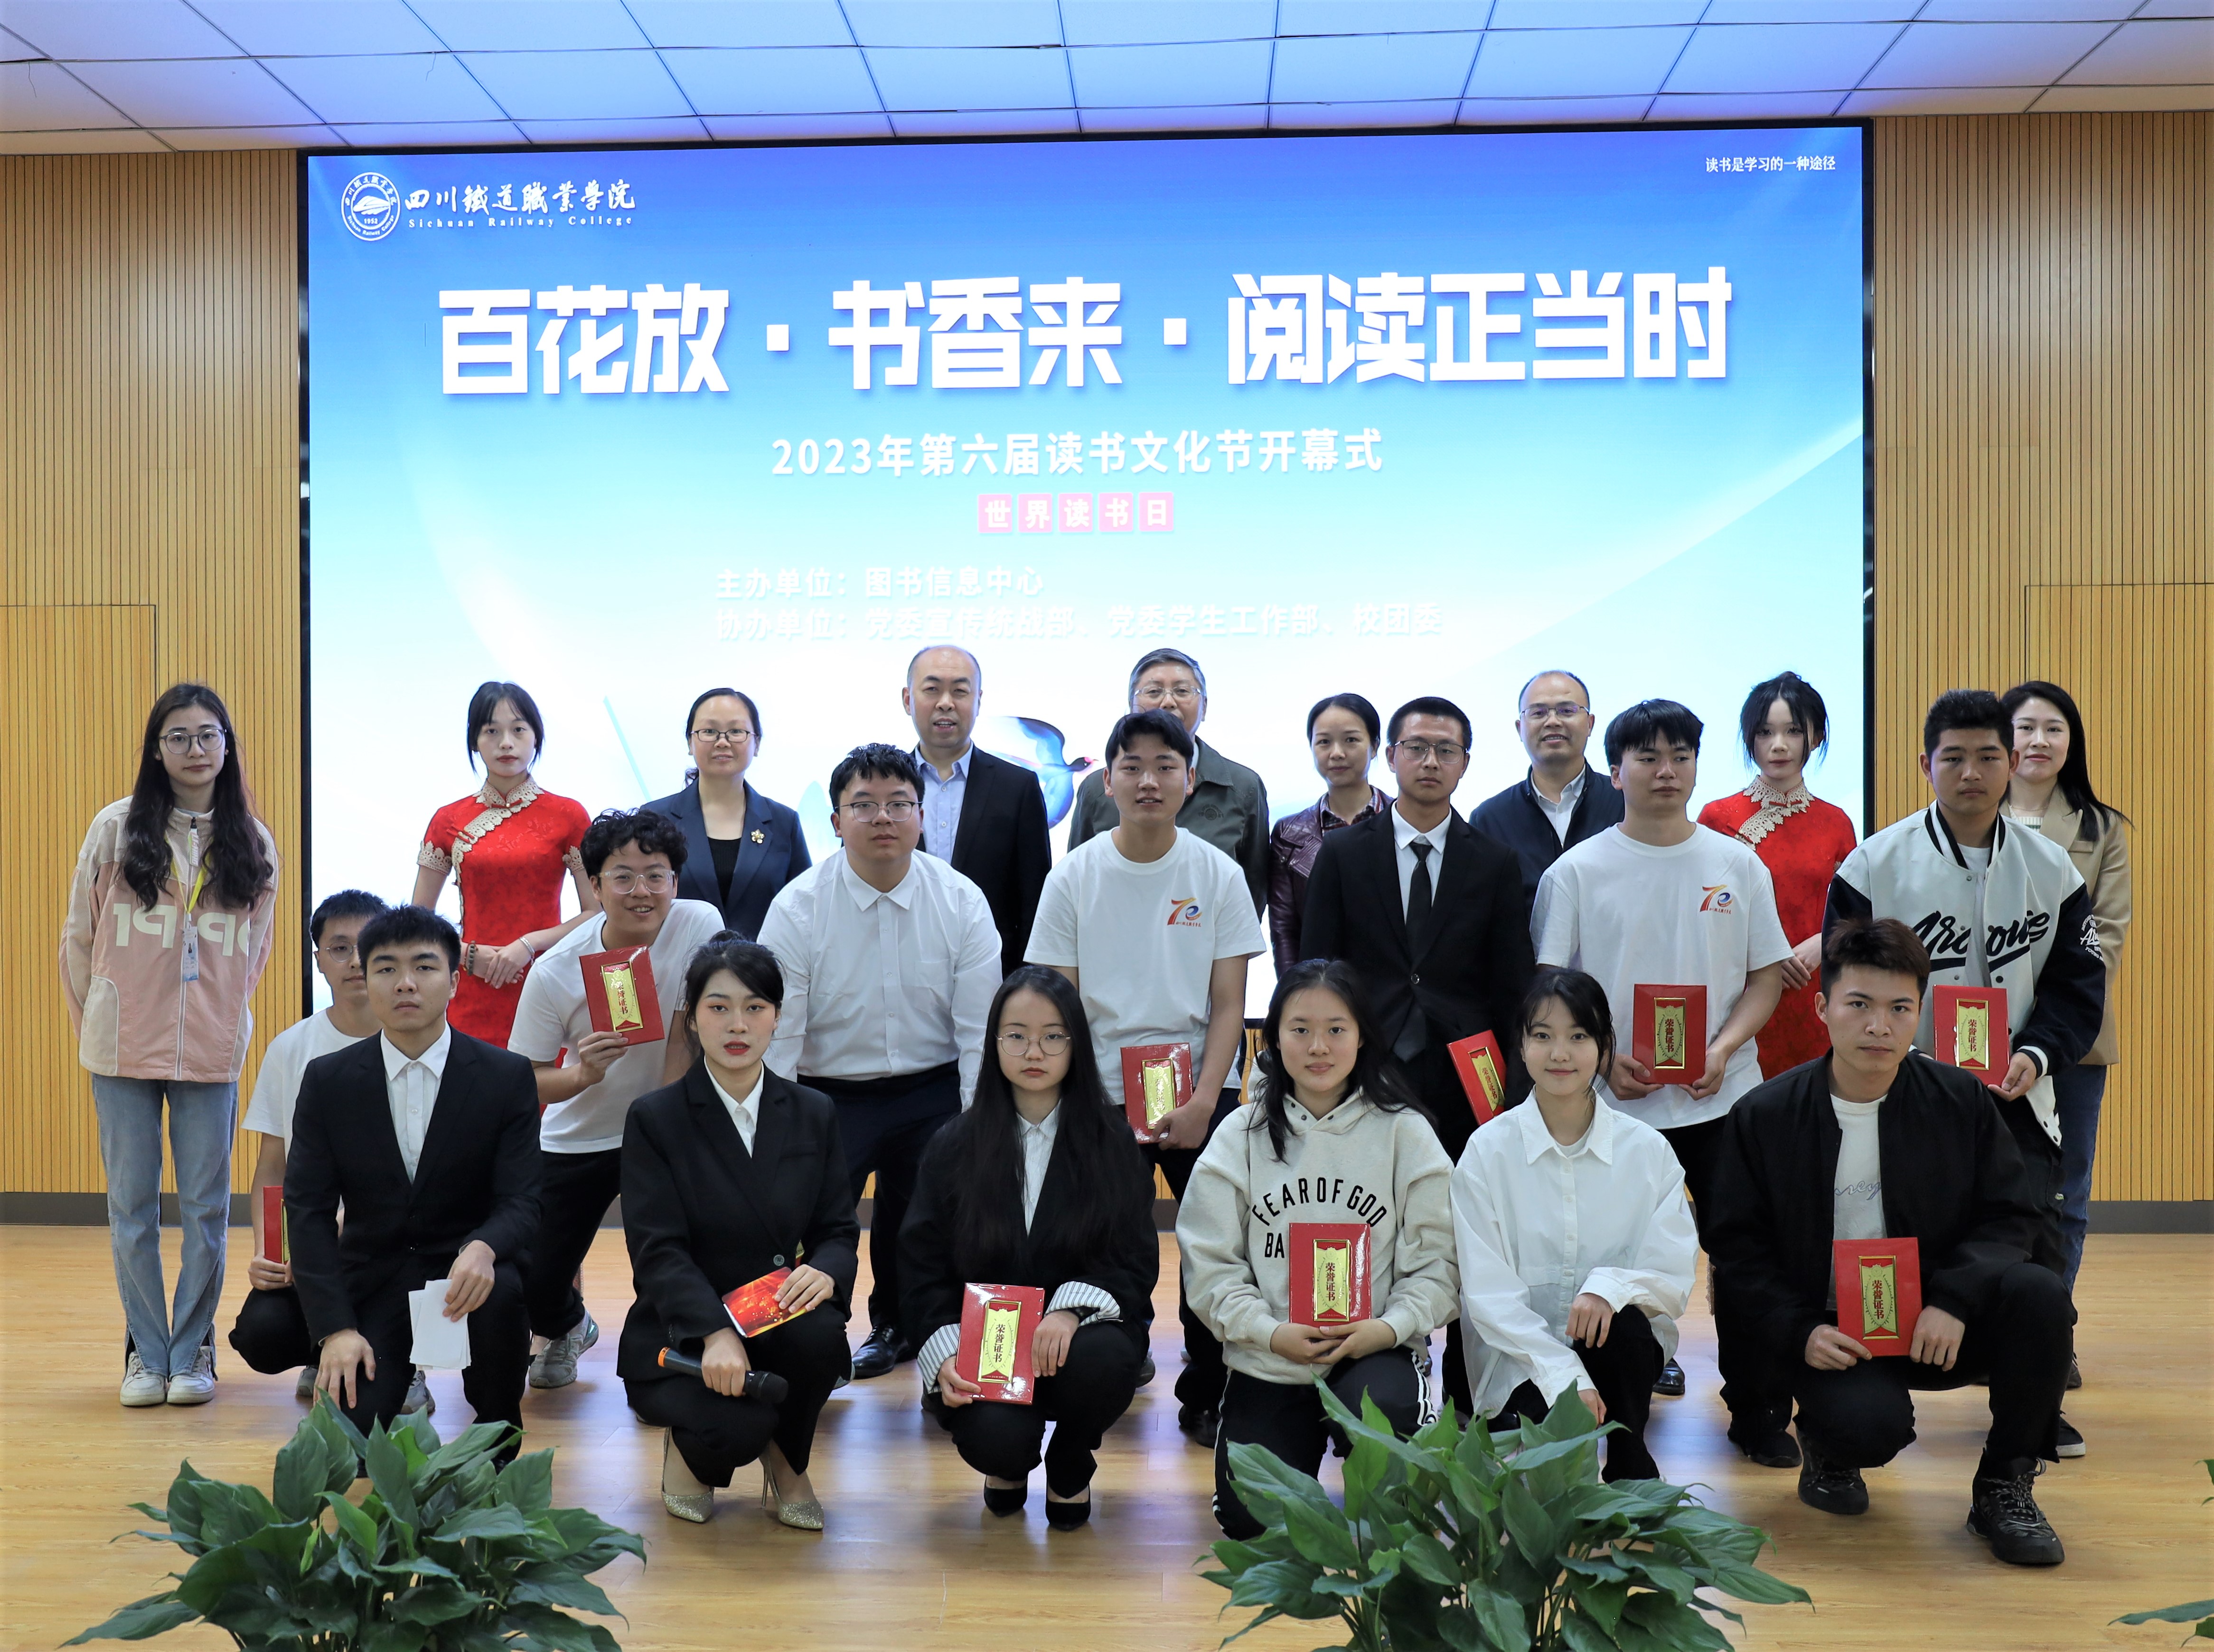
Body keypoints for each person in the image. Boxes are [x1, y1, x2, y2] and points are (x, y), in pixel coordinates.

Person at [1707, 918, 2074, 1567]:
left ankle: (2004, 1484)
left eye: (1899, 1008)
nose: (1879, 1026)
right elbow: (1736, 1249)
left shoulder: (1960, 1102)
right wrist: (1798, 1332)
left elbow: (2011, 1215)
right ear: (1822, 1008)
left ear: (1919, 1013)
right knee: (1868, 1429)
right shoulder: (1763, 1117)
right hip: (1831, 1333)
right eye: (1859, 1005)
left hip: (1937, 1321)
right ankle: (1828, 1447)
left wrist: (1954, 1299)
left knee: (2040, 1297)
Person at [1824, 688, 2103, 1455]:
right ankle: (1862, 1392)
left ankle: (2032, 1413)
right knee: (1903, 1233)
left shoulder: (2051, 870)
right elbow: (1843, 981)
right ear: (1926, 765)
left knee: (2036, 1257)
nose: (1971, 773)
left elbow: (2076, 988)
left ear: (2011, 762)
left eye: (1987, 756)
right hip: (1904, 1094)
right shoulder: (1873, 863)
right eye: (1954, 757)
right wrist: (1898, 1060)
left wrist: (2034, 1053)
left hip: (2016, 1093)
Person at [1531, 699, 1790, 1439]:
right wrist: (1604, 1058)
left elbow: (1766, 977)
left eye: (1681, 755)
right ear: (1615, 772)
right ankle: (1618, 1399)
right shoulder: (1577, 871)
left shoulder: (1737, 864)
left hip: (1723, 1098)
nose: (1666, 770)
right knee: (1612, 1255)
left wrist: (1723, 1048)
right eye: (1647, 757)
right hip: (1613, 1105)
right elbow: (1552, 986)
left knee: (1742, 1254)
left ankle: (1757, 1409)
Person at [1025, 708, 1267, 1444]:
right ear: (1109, 780)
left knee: (1214, 1244)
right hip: (1098, 1096)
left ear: (1190, 780)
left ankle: (1208, 1387)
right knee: (1106, 1244)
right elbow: (1058, 1006)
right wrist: (1084, 1105)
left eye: (1166, 766)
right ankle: (1113, 1362)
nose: (1149, 780)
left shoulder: (1216, 873)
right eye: (1132, 766)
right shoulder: (1074, 876)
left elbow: (1230, 1005)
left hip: (1200, 1090)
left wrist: (1204, 1100)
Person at [1299, 695, 1534, 1417]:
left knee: (1468, 1227)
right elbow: (1316, 969)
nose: (1430, 762)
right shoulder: (1344, 855)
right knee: (1371, 1218)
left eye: (1446, 750)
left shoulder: (1495, 862)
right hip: (1367, 1069)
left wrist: (1514, 1093)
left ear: (1465, 764)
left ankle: (1468, 1390)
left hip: (1465, 1077)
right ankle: (1371, 1372)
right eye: (1416, 748)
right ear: (1391, 757)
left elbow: (1512, 988)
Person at [1177, 961, 1459, 1540]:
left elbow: (1441, 1262)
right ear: (1273, 1038)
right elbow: (1209, 1268)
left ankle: (1370, 1454)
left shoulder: (1404, 1132)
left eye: (1336, 1029)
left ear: (1362, 1036)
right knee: (1251, 1524)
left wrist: (1387, 1328)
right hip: (1271, 1355)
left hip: (1375, 1352)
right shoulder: (1240, 1135)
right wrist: (1268, 1332)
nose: (1318, 1047)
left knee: (1399, 1504)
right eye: (1299, 1029)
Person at [61, 683, 280, 1408]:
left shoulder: (253, 841)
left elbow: (253, 956)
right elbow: (79, 939)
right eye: (178, 736)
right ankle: (145, 1353)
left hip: (209, 1051)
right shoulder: (116, 829)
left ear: (227, 746)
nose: (195, 749)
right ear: (157, 750)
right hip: (122, 1046)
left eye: (208, 735)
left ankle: (191, 1351)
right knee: (132, 1210)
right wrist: (99, 1020)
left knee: (207, 1212)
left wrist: (220, 1016)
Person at [758, 744, 1001, 1381]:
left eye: (899, 803)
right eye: (863, 805)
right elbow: (780, 1033)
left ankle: (902, 1328)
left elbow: (978, 1029)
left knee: (921, 1218)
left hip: (932, 1088)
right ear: (836, 821)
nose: (883, 818)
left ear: (921, 815)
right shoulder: (798, 906)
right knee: (815, 1215)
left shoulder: (961, 901)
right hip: (828, 1091)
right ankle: (816, 1336)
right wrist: (778, 1124)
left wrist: (978, 1123)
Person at [901, 967, 1158, 1527]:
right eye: (1016, 1036)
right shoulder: (954, 1144)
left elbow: (1134, 1255)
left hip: (1079, 1341)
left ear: (1076, 1045)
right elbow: (920, 1265)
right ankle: (1009, 1463)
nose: (1034, 1051)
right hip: (986, 1346)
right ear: (993, 1043)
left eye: (1053, 1036)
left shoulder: (1111, 1140)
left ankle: (1072, 1456)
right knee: (997, 1440)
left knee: (1105, 1360)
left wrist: (1069, 1310)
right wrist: (945, 1351)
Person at [619, 937, 858, 1528]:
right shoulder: (655, 1118)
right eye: (718, 1007)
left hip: (777, 1313)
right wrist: (713, 1332)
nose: (737, 1024)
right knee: (735, 1429)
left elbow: (837, 1229)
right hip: (684, 1328)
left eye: (755, 1007)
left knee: (821, 1337)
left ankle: (789, 1460)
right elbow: (658, 1250)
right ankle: (688, 1453)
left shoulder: (813, 1111)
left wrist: (826, 1271)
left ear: (777, 1017)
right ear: (693, 1018)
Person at [287, 907, 540, 1456]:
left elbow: (523, 1199)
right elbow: (307, 1210)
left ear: (454, 981)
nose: (405, 983)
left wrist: (484, 1247)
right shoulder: (329, 1081)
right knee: (350, 1451)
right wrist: (335, 1329)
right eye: (386, 969)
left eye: (424, 967)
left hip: (467, 1273)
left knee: (501, 1292)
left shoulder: (505, 1076)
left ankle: (496, 1428)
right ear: (366, 979)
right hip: (376, 1273)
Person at [507, 807, 725, 1390]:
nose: (641, 892)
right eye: (622, 877)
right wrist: (582, 1075)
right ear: (595, 886)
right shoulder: (556, 971)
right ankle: (567, 1325)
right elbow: (525, 1079)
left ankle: (674, 1358)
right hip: (580, 1135)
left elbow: (686, 1033)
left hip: (668, 1127)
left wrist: (661, 1126)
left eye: (656, 876)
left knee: (669, 1259)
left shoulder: (698, 923)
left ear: (675, 881)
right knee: (533, 1275)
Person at [1453, 968, 1696, 1482]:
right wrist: (1564, 1374)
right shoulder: (1486, 1153)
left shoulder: (1647, 1151)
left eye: (1578, 1036)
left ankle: (1630, 1459)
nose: (1559, 1054)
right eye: (1542, 1036)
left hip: (1616, 1351)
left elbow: (1672, 1274)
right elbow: (1488, 1297)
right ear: (1521, 1047)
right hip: (1520, 1357)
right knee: (1549, 1492)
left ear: (1604, 1047)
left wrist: (1609, 1288)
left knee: (1624, 1321)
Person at [229, 890, 414, 1408]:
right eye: (339, 948)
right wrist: (270, 1251)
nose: (354, 961)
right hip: (315, 1245)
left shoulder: (419, 1041)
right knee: (262, 1331)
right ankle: (325, 1350)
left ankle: (405, 1364)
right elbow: (273, 1166)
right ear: (319, 961)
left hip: (396, 1244)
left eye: (367, 946)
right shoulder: (291, 1048)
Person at [1999, 680, 2131, 1316]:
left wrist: (2048, 1015)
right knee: (1986, 1185)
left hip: (2075, 1038)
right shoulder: (1968, 817)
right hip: (1979, 1034)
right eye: (2025, 727)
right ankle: (1988, 1327)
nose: (2038, 741)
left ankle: (2051, 1330)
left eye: (2053, 729)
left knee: (2065, 1190)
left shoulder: (2102, 828)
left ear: (2071, 743)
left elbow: (2108, 934)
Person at [413, 681, 596, 1047]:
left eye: (518, 730)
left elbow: (596, 912)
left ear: (536, 737)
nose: (506, 743)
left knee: (546, 1078)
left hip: (546, 977)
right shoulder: (448, 819)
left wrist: (527, 945)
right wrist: (466, 955)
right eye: (492, 731)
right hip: (472, 981)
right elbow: (418, 919)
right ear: (475, 741)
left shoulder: (569, 815)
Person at [1697, 673, 1859, 1079]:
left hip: (1813, 988)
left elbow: (1855, 911)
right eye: (1765, 733)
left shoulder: (1836, 823)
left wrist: (1823, 942)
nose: (1779, 745)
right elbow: (1704, 912)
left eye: (1793, 731)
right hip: (1741, 989)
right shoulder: (1717, 817)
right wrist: (1766, 954)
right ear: (1749, 739)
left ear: (1817, 737)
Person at [1065, 648, 1270, 917]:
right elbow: (1077, 881)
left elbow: (1254, 889)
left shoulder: (1243, 786)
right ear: (1131, 706)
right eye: (1154, 692)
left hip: (1209, 941)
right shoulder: (1096, 788)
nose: (1168, 702)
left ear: (1204, 706)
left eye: (1183, 691)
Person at [903, 646, 1052, 979]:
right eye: (932, 689)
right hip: (896, 973)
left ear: (978, 700)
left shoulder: (1019, 788)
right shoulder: (880, 787)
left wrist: (1025, 988)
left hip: (993, 977)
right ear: (907, 699)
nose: (946, 703)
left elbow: (1035, 904)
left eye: (960, 691)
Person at [647, 686, 810, 941]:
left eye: (736, 731)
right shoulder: (654, 819)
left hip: (764, 964)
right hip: (678, 964)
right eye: (709, 731)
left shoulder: (784, 822)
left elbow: (805, 908)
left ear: (757, 744)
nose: (722, 742)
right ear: (690, 743)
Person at [1468, 670, 1625, 917]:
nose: (1552, 721)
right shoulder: (1489, 818)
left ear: (1590, 724)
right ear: (1520, 728)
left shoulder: (1627, 801)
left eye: (1567, 710)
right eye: (1538, 713)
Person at [1266, 692, 1391, 974]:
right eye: (1324, 742)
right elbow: (1284, 930)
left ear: (1374, 747)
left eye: (1351, 740)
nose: (1337, 753)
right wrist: (1294, 992)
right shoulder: (1289, 833)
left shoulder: (1403, 821)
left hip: (1394, 989)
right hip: (1321, 988)